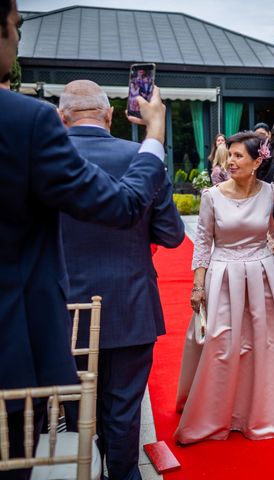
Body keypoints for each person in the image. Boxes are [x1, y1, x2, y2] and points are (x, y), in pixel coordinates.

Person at [0, 1, 167, 477]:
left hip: (64, 315)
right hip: (54, 328)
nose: (17, 39)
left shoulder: (37, 124)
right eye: (14, 25)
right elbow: (125, 206)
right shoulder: (24, 123)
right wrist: (153, 136)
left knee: (71, 419)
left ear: (63, 113)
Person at [57, 80, 184, 480]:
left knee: (79, 409)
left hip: (67, 310)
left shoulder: (44, 160)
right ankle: (124, 473)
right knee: (124, 408)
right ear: (109, 115)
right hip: (131, 305)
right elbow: (172, 234)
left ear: (62, 118)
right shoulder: (138, 157)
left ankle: (85, 469)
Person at [175, 132, 274, 443]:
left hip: (262, 274)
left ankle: (259, 411)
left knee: (264, 344)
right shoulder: (212, 196)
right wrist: (198, 286)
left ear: (257, 161)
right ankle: (217, 411)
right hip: (223, 275)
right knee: (222, 345)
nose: (230, 161)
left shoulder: (270, 192)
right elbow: (203, 243)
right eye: (229, 155)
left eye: (238, 156)